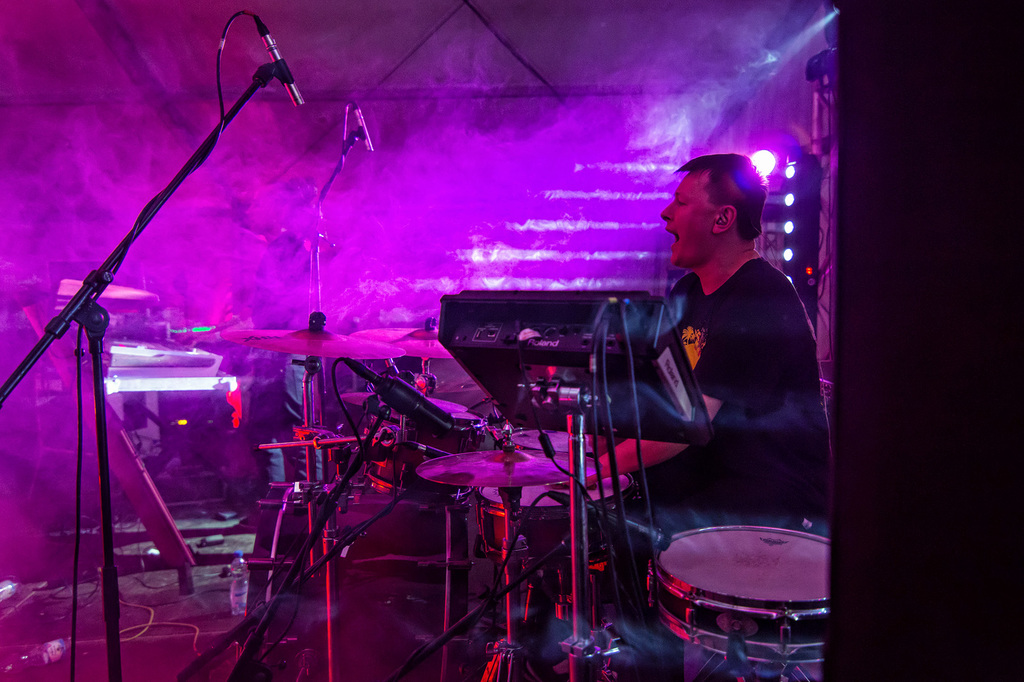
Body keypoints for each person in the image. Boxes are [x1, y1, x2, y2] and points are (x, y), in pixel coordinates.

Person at [602, 153, 830, 537]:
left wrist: (592, 468)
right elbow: (663, 401)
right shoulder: (688, 291)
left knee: (630, 535)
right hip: (710, 485)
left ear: (722, 219)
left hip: (771, 503)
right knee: (604, 521)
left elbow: (688, 422)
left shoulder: (760, 294)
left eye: (681, 202)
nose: (666, 213)